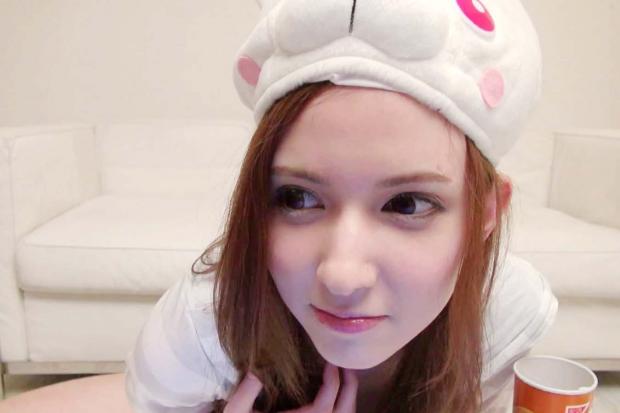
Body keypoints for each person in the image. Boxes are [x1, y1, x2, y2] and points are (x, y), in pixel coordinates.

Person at [0, 0, 558, 412]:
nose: (342, 274)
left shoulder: (505, 311)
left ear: (487, 213)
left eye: (408, 204)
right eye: (298, 197)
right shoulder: (200, 333)